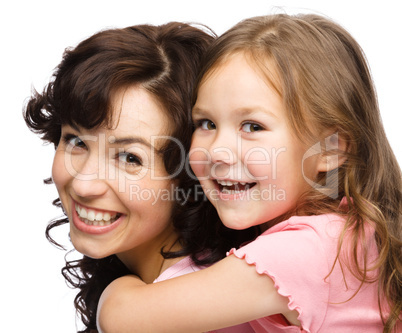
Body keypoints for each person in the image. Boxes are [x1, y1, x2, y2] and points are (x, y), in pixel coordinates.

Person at [97, 13, 402, 333]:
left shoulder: (309, 250)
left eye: (253, 126)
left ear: (329, 150)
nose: (218, 151)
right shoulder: (349, 232)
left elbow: (122, 320)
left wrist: (118, 284)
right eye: (206, 123)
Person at [23, 22, 257, 333]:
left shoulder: (197, 314)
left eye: (130, 158)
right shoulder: (153, 287)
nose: (82, 184)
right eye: (76, 141)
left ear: (192, 174)